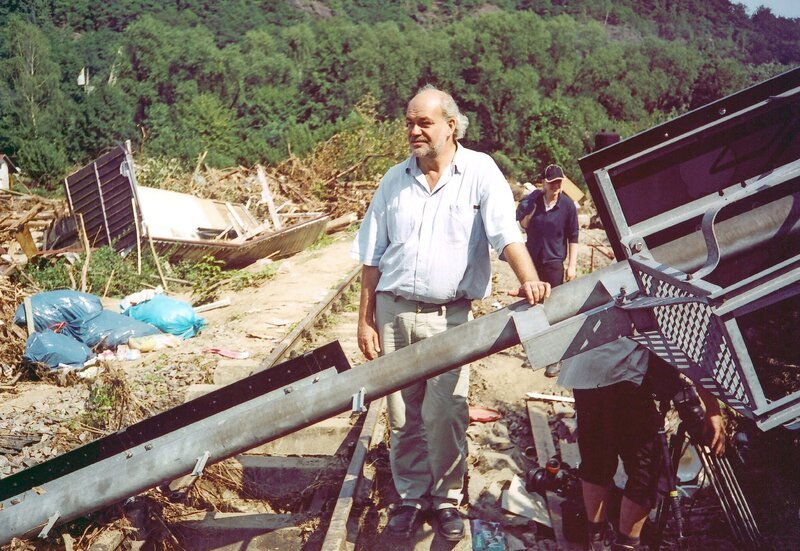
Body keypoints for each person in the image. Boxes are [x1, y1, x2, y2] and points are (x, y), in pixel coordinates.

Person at [351, 85, 551, 542]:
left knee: (447, 414)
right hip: (394, 312)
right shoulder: (393, 180)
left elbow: (505, 235)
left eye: (424, 122)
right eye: (409, 122)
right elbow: (371, 258)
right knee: (402, 416)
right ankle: (409, 497)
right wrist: (364, 320)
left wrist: (530, 278)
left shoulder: (479, 172)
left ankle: (445, 501)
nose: (414, 131)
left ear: (451, 126)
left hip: (449, 318)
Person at [558, 339, 726, 551]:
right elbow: (687, 342)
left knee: (598, 460)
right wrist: (711, 407)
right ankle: (625, 544)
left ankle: (598, 541)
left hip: (589, 367)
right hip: (619, 372)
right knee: (647, 468)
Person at [516, 164, 579, 378]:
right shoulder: (533, 200)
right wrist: (531, 215)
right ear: (543, 182)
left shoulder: (568, 205)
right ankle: (537, 354)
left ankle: (555, 359)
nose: (556, 186)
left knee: (552, 310)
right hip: (532, 262)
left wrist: (571, 265)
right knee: (532, 306)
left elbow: (574, 236)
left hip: (553, 263)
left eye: (559, 182)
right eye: (552, 182)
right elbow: (522, 226)